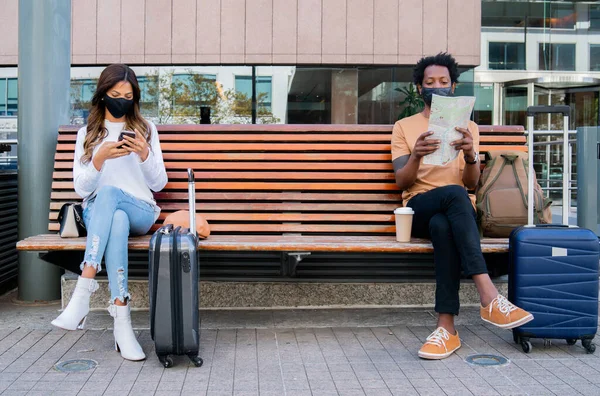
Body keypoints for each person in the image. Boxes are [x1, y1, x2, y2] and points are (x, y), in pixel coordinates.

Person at [392, 53, 533, 360]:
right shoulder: (404, 126)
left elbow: (472, 183)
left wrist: (470, 154)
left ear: (453, 86)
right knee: (453, 195)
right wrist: (416, 155)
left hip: (455, 213)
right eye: (430, 82)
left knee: (446, 222)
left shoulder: (467, 126)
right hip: (419, 207)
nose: (437, 87)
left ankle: (447, 329)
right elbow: (402, 182)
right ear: (419, 88)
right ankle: (489, 296)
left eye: (443, 81)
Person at [51, 64, 168, 361]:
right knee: (114, 215)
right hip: (102, 215)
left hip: (140, 210)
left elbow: (159, 183)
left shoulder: (146, 129)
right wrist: (99, 159)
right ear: (103, 95)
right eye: (115, 94)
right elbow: (81, 188)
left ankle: (83, 291)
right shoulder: (87, 133)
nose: (121, 100)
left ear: (135, 97)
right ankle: (123, 325)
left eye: (128, 95)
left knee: (111, 194)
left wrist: (144, 154)